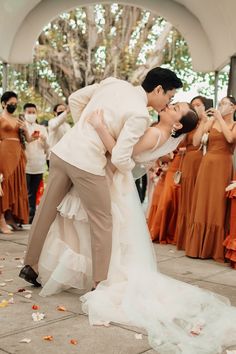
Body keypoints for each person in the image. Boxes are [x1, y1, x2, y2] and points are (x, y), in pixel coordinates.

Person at [37, 108, 236, 354]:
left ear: (176, 125)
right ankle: (97, 271)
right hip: (119, 182)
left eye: (175, 109)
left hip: (117, 182)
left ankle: (103, 273)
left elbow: (122, 155)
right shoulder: (159, 133)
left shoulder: (154, 134)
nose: (169, 107)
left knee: (110, 232)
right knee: (112, 233)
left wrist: (100, 128)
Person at [19, 67, 183, 288]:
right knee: (103, 222)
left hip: (62, 151)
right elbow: (120, 157)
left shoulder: (113, 83)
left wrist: (83, 128)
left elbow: (75, 99)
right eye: (169, 97)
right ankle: (100, 282)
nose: (167, 103)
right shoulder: (140, 115)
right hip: (87, 163)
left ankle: (30, 264)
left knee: (45, 210)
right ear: (159, 89)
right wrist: (129, 164)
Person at [185, 96, 236, 261]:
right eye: (219, 103)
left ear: (233, 107)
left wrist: (219, 118)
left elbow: (230, 138)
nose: (220, 106)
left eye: (224, 103)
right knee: (203, 201)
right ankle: (197, 247)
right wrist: (203, 121)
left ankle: (214, 248)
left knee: (217, 204)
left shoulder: (234, 125)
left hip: (223, 166)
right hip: (207, 166)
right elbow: (195, 140)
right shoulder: (212, 122)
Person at [175, 95, 207, 250]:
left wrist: (203, 120)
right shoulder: (190, 123)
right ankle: (184, 239)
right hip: (188, 161)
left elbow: (198, 142)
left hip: (201, 162)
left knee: (197, 198)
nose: (196, 106)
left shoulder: (207, 122)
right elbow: (181, 142)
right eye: (193, 104)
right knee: (187, 197)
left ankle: (194, 239)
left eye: (199, 104)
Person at [0, 92, 35, 234]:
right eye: (11, 103)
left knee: (17, 185)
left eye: (15, 103)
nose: (14, 105)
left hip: (18, 154)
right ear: (3, 103)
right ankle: (1, 219)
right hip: (4, 153)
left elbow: (29, 139)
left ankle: (11, 218)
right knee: (4, 184)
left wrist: (25, 130)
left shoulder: (19, 120)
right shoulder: (0, 118)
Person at [24, 103, 49, 223]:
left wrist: (44, 140)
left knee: (34, 192)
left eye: (33, 112)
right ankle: (22, 216)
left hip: (38, 164)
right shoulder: (22, 127)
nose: (31, 115)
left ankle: (31, 216)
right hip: (25, 164)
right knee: (24, 192)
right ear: (24, 113)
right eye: (29, 112)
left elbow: (47, 147)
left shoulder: (42, 128)